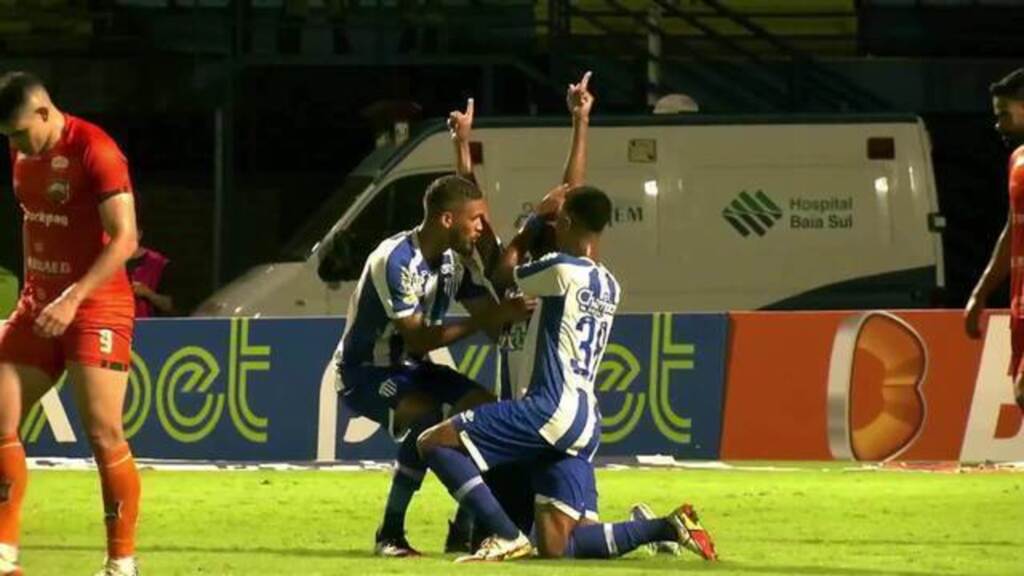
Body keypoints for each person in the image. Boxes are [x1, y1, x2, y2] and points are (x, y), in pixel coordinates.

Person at [417, 185, 717, 563]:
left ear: (569, 222)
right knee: (559, 545)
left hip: (547, 409)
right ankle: (665, 527)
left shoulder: (560, 269)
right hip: (585, 420)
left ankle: (506, 535)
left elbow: (503, 274)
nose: (553, 227)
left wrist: (530, 224)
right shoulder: (610, 284)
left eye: (558, 221)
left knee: (434, 442)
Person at [331, 173, 530, 557]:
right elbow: (420, 338)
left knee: (486, 414)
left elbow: (492, 324)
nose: (481, 228)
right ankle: (389, 534)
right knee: (424, 417)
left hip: (414, 369)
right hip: (366, 373)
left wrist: (513, 307)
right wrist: (488, 319)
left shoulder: (455, 263)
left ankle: (466, 529)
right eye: (475, 219)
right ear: (446, 220)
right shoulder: (395, 260)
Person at [0, 72, 142, 576]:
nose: (16, 145)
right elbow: (34, 221)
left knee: (104, 433)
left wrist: (71, 297)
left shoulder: (95, 150)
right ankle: (4, 555)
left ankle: (121, 561)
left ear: (44, 111)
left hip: (96, 304)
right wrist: (32, 293)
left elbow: (126, 239)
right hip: (38, 303)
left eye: (19, 133)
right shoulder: (23, 155)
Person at [964, 67, 1024, 410]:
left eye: (1004, 113)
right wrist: (980, 293)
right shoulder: (1017, 159)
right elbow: (1012, 228)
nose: (998, 124)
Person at [126, 232, 174, 318]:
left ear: (139, 234)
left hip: (148, 326)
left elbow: (169, 305)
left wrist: (148, 293)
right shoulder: (106, 262)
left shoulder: (159, 264)